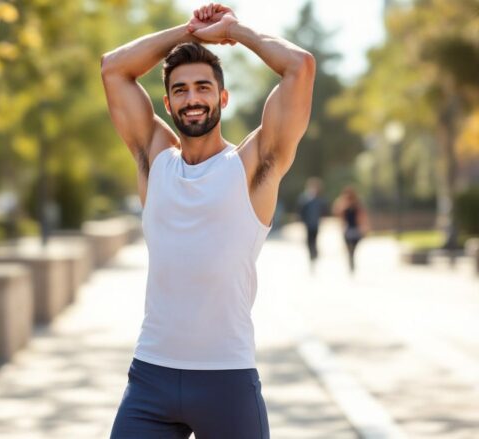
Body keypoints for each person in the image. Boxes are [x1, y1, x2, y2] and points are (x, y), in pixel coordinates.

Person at [101, 3, 315, 438]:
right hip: (150, 379)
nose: (192, 98)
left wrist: (235, 31)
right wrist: (189, 32)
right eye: (180, 90)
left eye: (203, 87)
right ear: (167, 102)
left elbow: (300, 66)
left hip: (227, 382)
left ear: (222, 97)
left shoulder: (254, 165)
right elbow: (113, 69)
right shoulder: (154, 158)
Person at [333, 186, 369, 273]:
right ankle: (351, 261)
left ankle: (351, 259)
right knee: (349, 247)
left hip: (355, 229)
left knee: (353, 247)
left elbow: (362, 216)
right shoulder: (343, 204)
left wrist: (364, 227)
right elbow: (337, 213)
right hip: (347, 229)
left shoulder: (357, 204)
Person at [298, 177, 328, 272]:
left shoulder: (319, 199)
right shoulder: (304, 198)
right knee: (309, 241)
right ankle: (312, 255)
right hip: (308, 223)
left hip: (315, 223)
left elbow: (324, 210)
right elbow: (301, 210)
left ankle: (314, 254)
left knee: (314, 240)